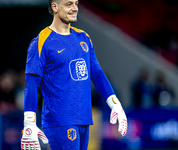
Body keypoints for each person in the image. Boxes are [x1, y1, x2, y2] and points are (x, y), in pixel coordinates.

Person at [21, 0, 127, 150]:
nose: (75, 8)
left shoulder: (84, 37)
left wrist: (115, 105)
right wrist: (29, 123)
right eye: (69, 4)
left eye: (76, 3)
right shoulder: (41, 42)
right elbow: (31, 84)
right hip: (60, 122)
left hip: (84, 119)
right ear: (55, 6)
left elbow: (96, 73)